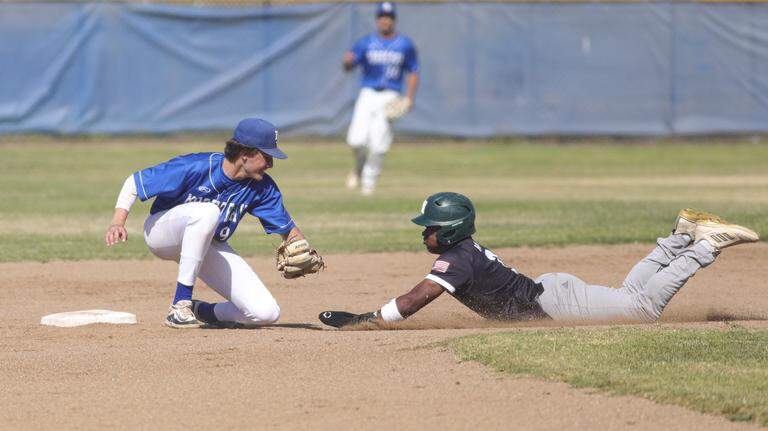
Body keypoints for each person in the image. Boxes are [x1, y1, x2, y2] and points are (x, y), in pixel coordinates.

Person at [318, 192, 759, 328]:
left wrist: (368, 318)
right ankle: (680, 236)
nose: (423, 231)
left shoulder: (456, 260)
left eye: (429, 226)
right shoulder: (462, 251)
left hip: (554, 304)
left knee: (641, 308)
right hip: (552, 293)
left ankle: (703, 245)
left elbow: (416, 300)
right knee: (629, 297)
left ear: (448, 231)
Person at [105, 118, 324, 329]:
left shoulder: (262, 188)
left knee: (265, 313)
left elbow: (287, 230)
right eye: (267, 156)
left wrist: (306, 250)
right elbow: (134, 182)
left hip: (208, 244)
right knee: (208, 212)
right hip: (162, 232)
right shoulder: (197, 166)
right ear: (245, 154)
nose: (271, 164)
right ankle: (179, 305)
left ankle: (202, 311)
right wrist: (118, 222)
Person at [343, 1, 419, 196]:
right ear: (378, 19)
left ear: (393, 19)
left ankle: (368, 183)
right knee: (356, 140)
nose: (385, 20)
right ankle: (359, 165)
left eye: (389, 17)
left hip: (390, 95)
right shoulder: (366, 42)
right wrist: (347, 62)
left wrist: (409, 98)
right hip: (368, 93)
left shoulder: (405, 44)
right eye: (382, 16)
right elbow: (349, 65)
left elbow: (413, 72)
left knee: (379, 144)